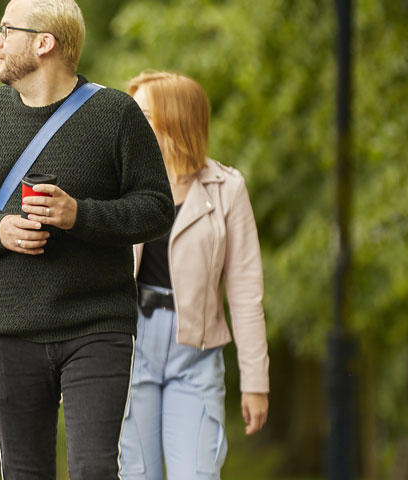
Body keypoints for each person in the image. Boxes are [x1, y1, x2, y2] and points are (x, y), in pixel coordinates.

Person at [0, 0, 174, 477]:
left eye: (6, 30)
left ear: (44, 43)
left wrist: (78, 215)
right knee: (24, 471)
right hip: (8, 326)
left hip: (96, 323)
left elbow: (156, 208)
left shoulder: (115, 114)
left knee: (94, 469)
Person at [117, 71, 270, 479]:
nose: (132, 123)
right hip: (132, 348)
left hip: (198, 356)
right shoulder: (120, 184)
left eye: (144, 114)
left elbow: (245, 293)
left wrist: (256, 381)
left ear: (175, 120)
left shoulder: (227, 189)